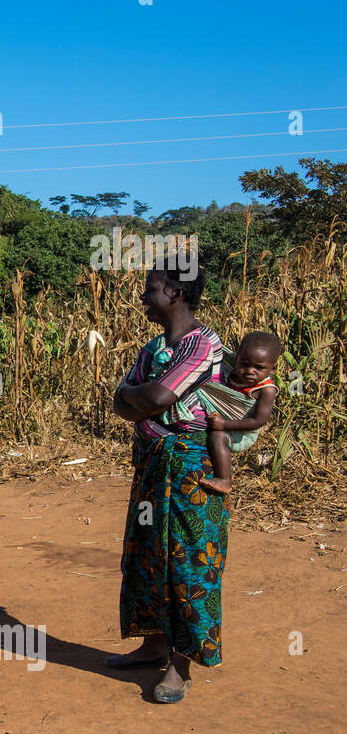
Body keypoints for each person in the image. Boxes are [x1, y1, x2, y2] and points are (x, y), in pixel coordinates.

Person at [110, 260, 227, 703]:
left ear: (176, 293)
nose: (144, 296)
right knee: (148, 553)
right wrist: (137, 400)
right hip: (153, 462)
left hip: (190, 467)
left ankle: (180, 664)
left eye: (151, 288)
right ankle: (154, 644)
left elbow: (155, 397)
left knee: (190, 562)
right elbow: (122, 404)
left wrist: (137, 398)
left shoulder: (202, 345)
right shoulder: (155, 348)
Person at [197, 332, 280, 494]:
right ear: (236, 359)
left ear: (273, 368)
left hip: (242, 432)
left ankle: (224, 480)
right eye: (245, 364)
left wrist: (224, 424)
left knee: (217, 436)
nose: (250, 371)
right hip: (223, 420)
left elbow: (258, 422)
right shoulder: (231, 372)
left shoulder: (266, 390)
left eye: (259, 367)